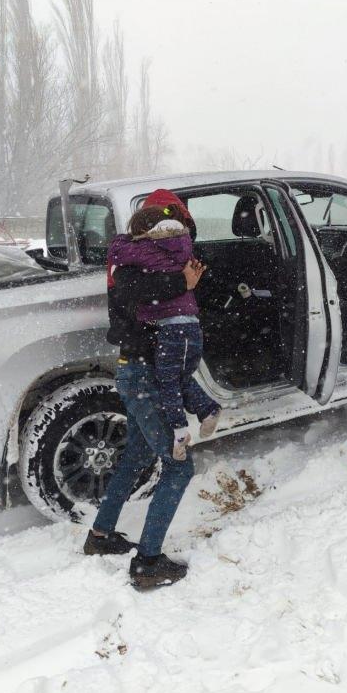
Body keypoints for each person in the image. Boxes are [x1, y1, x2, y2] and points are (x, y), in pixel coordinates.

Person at [83, 189, 207, 588]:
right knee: (179, 467)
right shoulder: (133, 266)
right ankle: (148, 562)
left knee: (137, 454)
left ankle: (100, 535)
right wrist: (180, 281)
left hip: (137, 373)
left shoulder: (141, 262)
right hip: (143, 376)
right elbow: (133, 291)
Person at [111, 203, 221, 459]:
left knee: (168, 381)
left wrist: (122, 241)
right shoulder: (183, 248)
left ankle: (181, 431)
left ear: (144, 232)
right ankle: (207, 409)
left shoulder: (145, 251)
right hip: (189, 327)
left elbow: (119, 255)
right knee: (177, 377)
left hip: (171, 330)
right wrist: (183, 281)